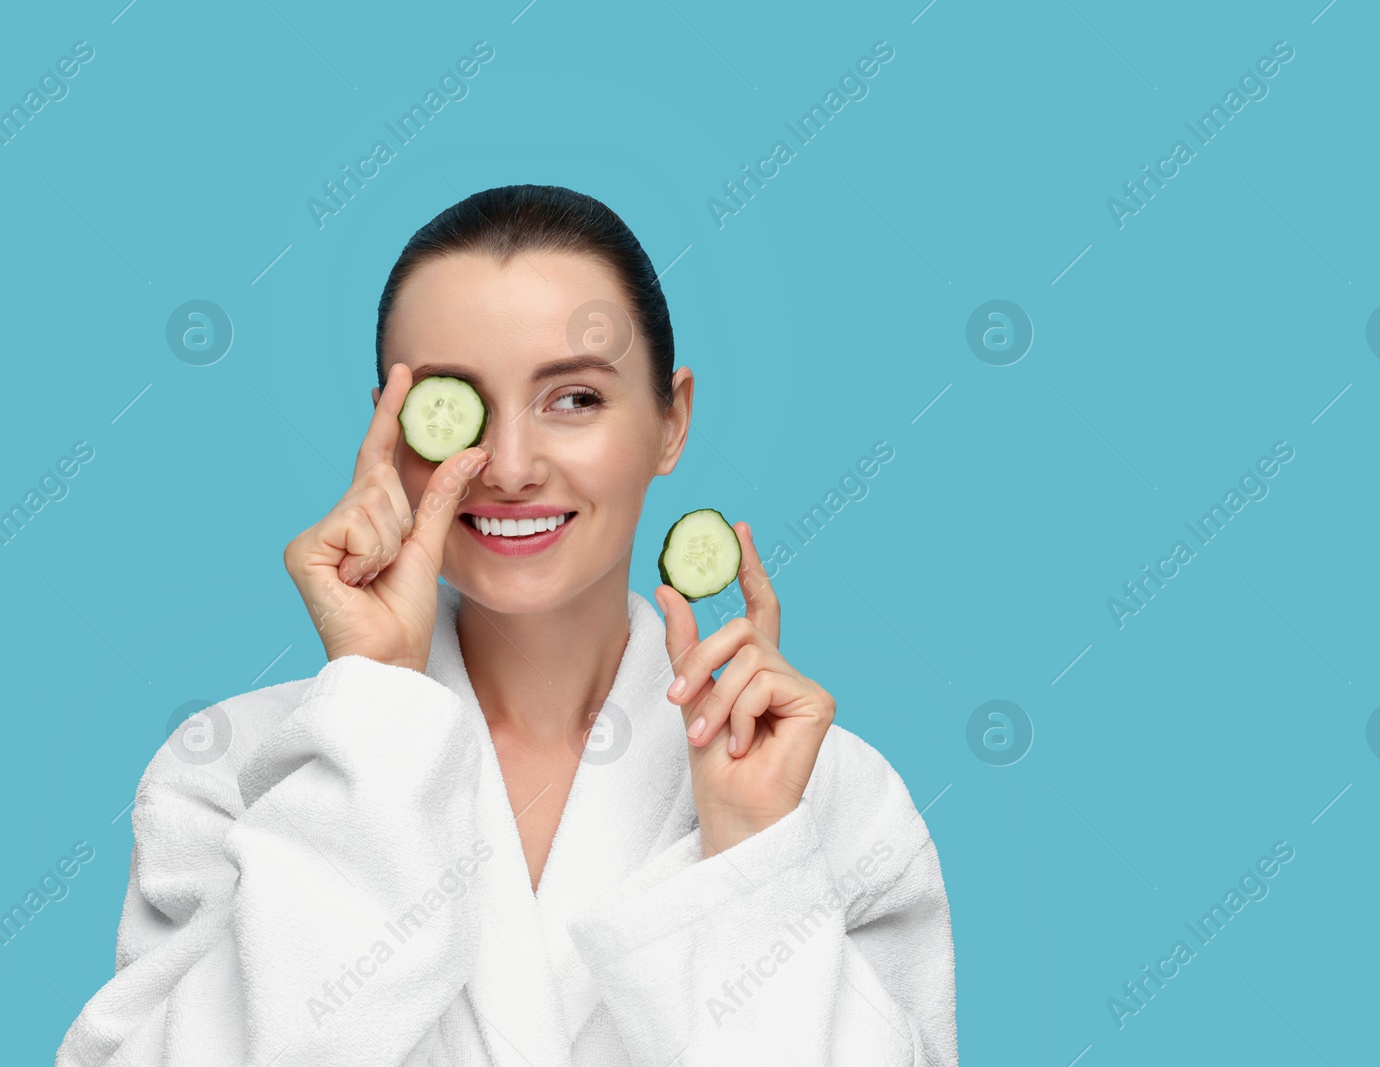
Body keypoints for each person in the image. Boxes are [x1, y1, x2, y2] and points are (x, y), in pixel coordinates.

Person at [56, 184, 957, 1066]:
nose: (513, 468)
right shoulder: (227, 772)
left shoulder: (831, 796)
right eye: (455, 404)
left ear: (671, 421)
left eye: (574, 400)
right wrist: (372, 715)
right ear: (388, 428)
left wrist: (751, 855)